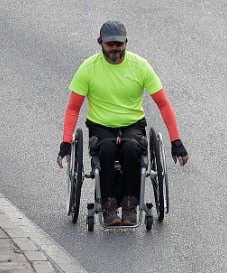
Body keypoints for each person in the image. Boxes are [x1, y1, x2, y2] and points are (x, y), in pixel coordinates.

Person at [58, 21, 189, 228]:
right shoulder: (88, 68)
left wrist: (176, 141)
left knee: (130, 149)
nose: (115, 49)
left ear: (126, 42)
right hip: (101, 126)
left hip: (132, 125)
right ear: (101, 43)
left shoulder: (140, 66)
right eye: (110, 45)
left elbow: (163, 104)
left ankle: (130, 204)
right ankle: (109, 205)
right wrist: (66, 143)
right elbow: (73, 108)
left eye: (119, 44)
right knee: (108, 149)